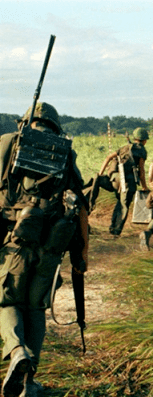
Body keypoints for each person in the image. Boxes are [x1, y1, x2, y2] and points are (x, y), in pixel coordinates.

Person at [0, 102, 89, 397]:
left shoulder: (9, 143)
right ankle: (29, 384)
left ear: (26, 121)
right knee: (36, 307)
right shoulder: (65, 153)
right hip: (51, 247)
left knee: (7, 302)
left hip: (15, 242)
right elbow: (81, 208)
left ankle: (16, 352)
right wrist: (81, 256)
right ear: (55, 126)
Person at [87, 127, 148, 235]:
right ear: (144, 140)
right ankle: (115, 232)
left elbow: (108, 158)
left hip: (114, 180)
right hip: (127, 183)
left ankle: (109, 224)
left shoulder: (124, 148)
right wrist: (144, 186)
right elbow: (142, 171)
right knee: (123, 207)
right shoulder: (142, 151)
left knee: (119, 203)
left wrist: (101, 173)